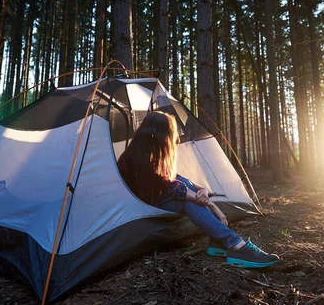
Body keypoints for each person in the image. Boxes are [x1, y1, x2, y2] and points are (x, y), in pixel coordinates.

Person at [118, 111, 278, 268]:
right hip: (142, 212)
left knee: (184, 184)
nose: (174, 138)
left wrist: (201, 189)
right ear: (159, 134)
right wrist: (212, 205)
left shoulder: (147, 153)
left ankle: (217, 242)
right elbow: (171, 188)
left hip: (153, 201)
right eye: (170, 133)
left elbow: (174, 178)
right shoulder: (137, 159)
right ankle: (235, 245)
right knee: (187, 201)